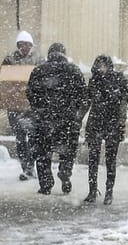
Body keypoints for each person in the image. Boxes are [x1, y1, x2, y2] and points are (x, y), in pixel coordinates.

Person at [26, 42, 87, 195]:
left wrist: (40, 108)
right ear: (64, 54)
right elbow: (83, 96)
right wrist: (75, 115)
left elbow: (30, 94)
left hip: (43, 120)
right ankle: (65, 172)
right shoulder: (74, 71)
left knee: (42, 152)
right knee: (67, 150)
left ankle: (46, 184)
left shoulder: (38, 70)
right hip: (67, 120)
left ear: (49, 54)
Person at [84, 55, 128, 205]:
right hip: (96, 123)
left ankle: (109, 192)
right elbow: (87, 102)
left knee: (110, 160)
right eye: (99, 66)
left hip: (112, 124)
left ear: (109, 66)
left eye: (104, 65)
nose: (101, 69)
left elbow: (124, 103)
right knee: (93, 159)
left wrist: (121, 123)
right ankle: (92, 191)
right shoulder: (93, 81)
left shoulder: (119, 80)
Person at [2, 30, 42, 181]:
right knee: (20, 138)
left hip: (32, 107)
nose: (24, 47)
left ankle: (31, 166)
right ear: (17, 45)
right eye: (21, 44)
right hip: (14, 107)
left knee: (32, 138)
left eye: (27, 44)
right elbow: (4, 79)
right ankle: (25, 167)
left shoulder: (38, 60)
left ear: (31, 46)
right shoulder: (9, 60)